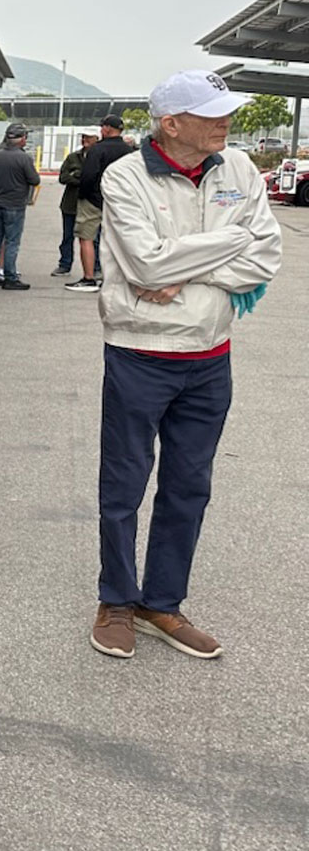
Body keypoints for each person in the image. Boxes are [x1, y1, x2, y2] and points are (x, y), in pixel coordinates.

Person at [89, 70, 281, 661]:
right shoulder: (126, 175)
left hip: (210, 355)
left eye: (226, 111)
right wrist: (230, 242)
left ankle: (161, 603)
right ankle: (117, 600)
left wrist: (185, 268)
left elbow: (266, 254)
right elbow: (147, 267)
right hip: (140, 352)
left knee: (189, 486)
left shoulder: (238, 168)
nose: (227, 122)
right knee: (123, 485)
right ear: (171, 124)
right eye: (212, 113)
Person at [67, 114, 134, 293]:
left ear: (107, 129)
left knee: (86, 238)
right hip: (119, 200)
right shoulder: (129, 151)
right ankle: (114, 278)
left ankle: (89, 278)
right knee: (116, 240)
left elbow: (89, 175)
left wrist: (83, 194)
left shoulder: (97, 150)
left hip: (93, 199)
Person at [0, 121, 39, 290]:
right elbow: (34, 179)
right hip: (15, 205)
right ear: (22, 139)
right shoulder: (24, 158)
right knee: (12, 242)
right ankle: (10, 277)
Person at [54, 131, 98, 275]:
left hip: (91, 204)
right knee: (68, 237)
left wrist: (77, 176)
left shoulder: (99, 157)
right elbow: (63, 177)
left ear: (96, 139)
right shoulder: (73, 157)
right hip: (70, 204)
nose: (84, 140)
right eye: (83, 137)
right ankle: (65, 264)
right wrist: (80, 180)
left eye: (88, 137)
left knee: (92, 238)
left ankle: (95, 267)